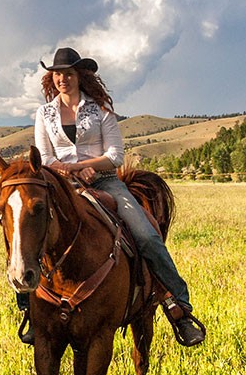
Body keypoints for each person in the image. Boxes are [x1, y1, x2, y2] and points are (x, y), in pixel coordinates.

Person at [30, 47, 207, 347]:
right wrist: (70, 172)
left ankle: (178, 306)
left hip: (106, 183)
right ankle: (30, 310)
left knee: (147, 236)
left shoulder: (100, 111)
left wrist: (84, 166)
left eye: (68, 73)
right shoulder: (44, 114)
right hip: (63, 186)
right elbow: (45, 158)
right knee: (29, 233)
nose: (62, 79)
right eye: (57, 73)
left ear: (79, 76)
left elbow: (115, 156)